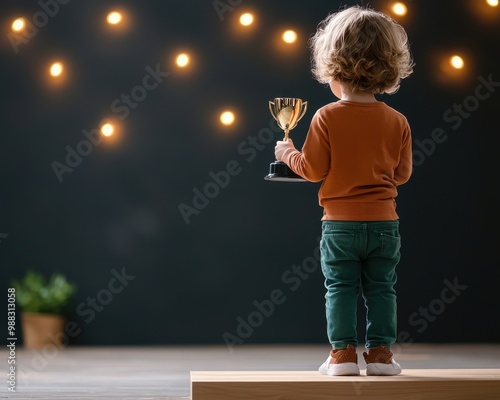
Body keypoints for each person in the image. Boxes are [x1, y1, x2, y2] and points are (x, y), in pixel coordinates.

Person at [274, 6, 414, 376]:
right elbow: (401, 175)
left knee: (340, 289)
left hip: (339, 226)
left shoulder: (326, 116)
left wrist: (288, 153)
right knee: (382, 289)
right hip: (386, 225)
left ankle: (343, 356)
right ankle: (381, 356)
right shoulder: (398, 120)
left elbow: (313, 170)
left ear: (333, 68)